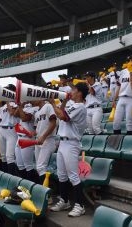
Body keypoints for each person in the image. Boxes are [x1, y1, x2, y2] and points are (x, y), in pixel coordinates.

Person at [49, 82, 88, 217]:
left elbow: (62, 116)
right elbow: (63, 112)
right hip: (63, 142)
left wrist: (52, 104)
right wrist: (64, 102)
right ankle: (64, 201)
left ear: (80, 93)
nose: (72, 91)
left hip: (72, 143)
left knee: (73, 176)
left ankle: (80, 205)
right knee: (62, 175)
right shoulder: (73, 104)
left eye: (74, 90)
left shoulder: (80, 107)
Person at [112, 53, 132, 134]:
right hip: (121, 98)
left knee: (129, 122)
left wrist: (131, 72)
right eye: (131, 60)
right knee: (116, 122)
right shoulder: (123, 71)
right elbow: (119, 86)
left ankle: (129, 142)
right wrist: (114, 100)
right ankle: (117, 142)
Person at [33, 100, 57, 184]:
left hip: (48, 139)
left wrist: (43, 136)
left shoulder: (48, 106)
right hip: (39, 140)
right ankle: (43, 189)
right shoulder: (37, 112)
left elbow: (53, 123)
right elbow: (37, 129)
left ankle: (45, 193)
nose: (31, 100)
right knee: (38, 167)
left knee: (41, 167)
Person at [0, 85, 20, 174]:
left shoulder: (16, 103)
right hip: (2, 130)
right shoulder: (4, 106)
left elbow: (12, 113)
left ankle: (11, 177)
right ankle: (5, 176)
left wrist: (7, 101)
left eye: (7, 90)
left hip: (11, 130)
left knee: (9, 156)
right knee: (3, 156)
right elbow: (1, 119)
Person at [14, 102, 38, 181]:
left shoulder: (35, 108)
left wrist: (21, 107)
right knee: (20, 165)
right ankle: (23, 186)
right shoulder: (24, 106)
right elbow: (15, 114)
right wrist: (20, 105)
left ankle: (30, 187)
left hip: (27, 137)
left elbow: (25, 118)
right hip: (19, 137)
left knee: (28, 166)